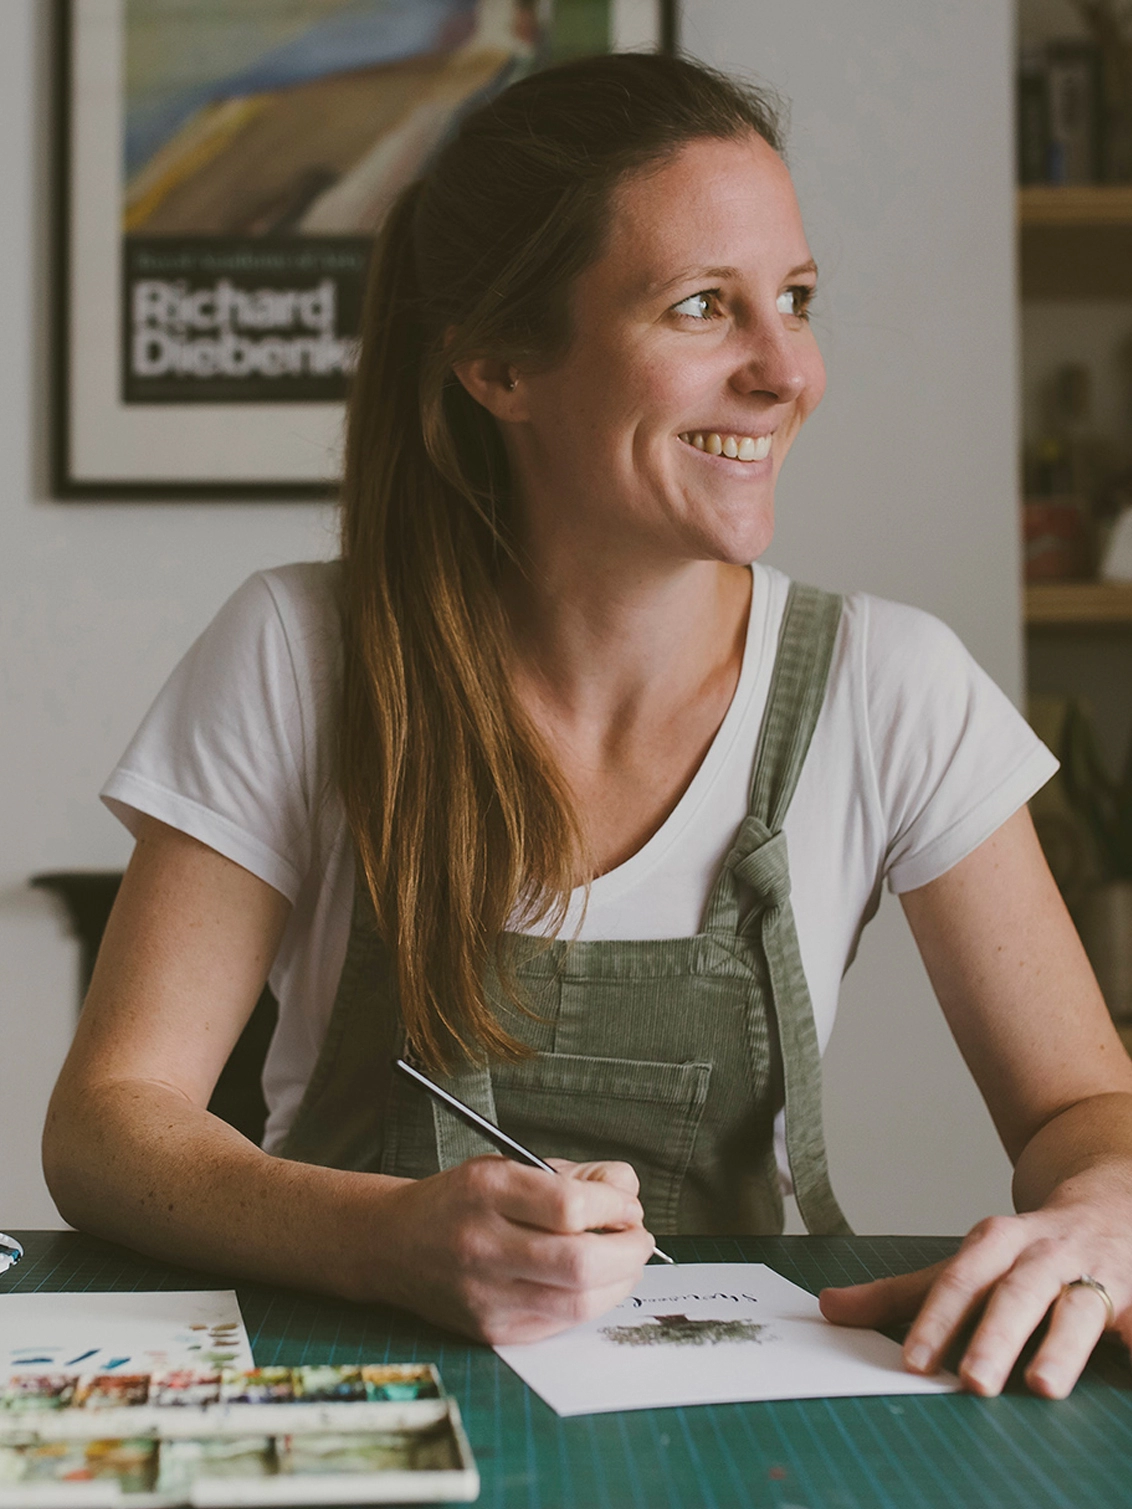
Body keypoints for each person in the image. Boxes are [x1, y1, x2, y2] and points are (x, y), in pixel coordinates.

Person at [44, 52, 1132, 1399]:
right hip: (350, 1379)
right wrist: (386, 1239)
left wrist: (1107, 1211)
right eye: (700, 309)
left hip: (736, 1411)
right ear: (501, 365)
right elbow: (108, 1126)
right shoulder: (301, 653)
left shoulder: (890, 682)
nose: (787, 371)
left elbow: (1084, 1108)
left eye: (795, 301)